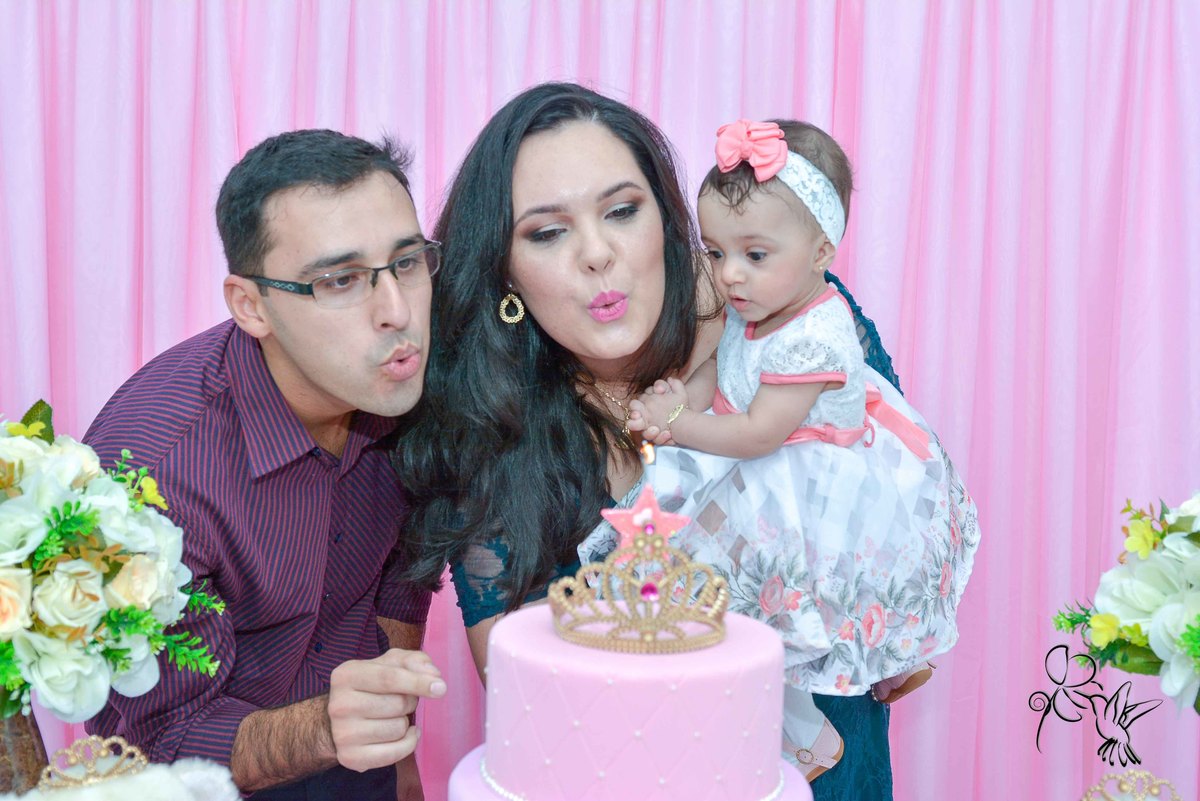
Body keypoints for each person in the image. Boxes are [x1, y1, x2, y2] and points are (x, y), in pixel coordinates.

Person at [397, 85, 910, 800]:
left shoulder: (799, 322)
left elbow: (892, 530)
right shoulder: (491, 422)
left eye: (621, 211)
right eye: (547, 232)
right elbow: (536, 704)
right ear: (504, 270)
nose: (597, 255)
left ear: (667, 219)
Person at [84, 129, 446, 801]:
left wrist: (394, 742)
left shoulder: (406, 381)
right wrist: (327, 729)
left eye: (406, 262)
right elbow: (153, 744)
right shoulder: (152, 478)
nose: (397, 313)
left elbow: (405, 570)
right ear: (251, 305)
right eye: (339, 281)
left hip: (358, 754)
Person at [623, 119, 980, 794]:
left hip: (812, 478)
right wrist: (683, 395)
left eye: (755, 254)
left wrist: (679, 424)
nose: (729, 274)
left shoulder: (815, 334)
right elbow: (725, 370)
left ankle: (811, 733)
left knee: (778, 611)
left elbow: (758, 432)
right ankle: (884, 668)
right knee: (784, 602)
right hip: (788, 465)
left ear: (822, 250)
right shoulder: (759, 301)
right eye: (716, 251)